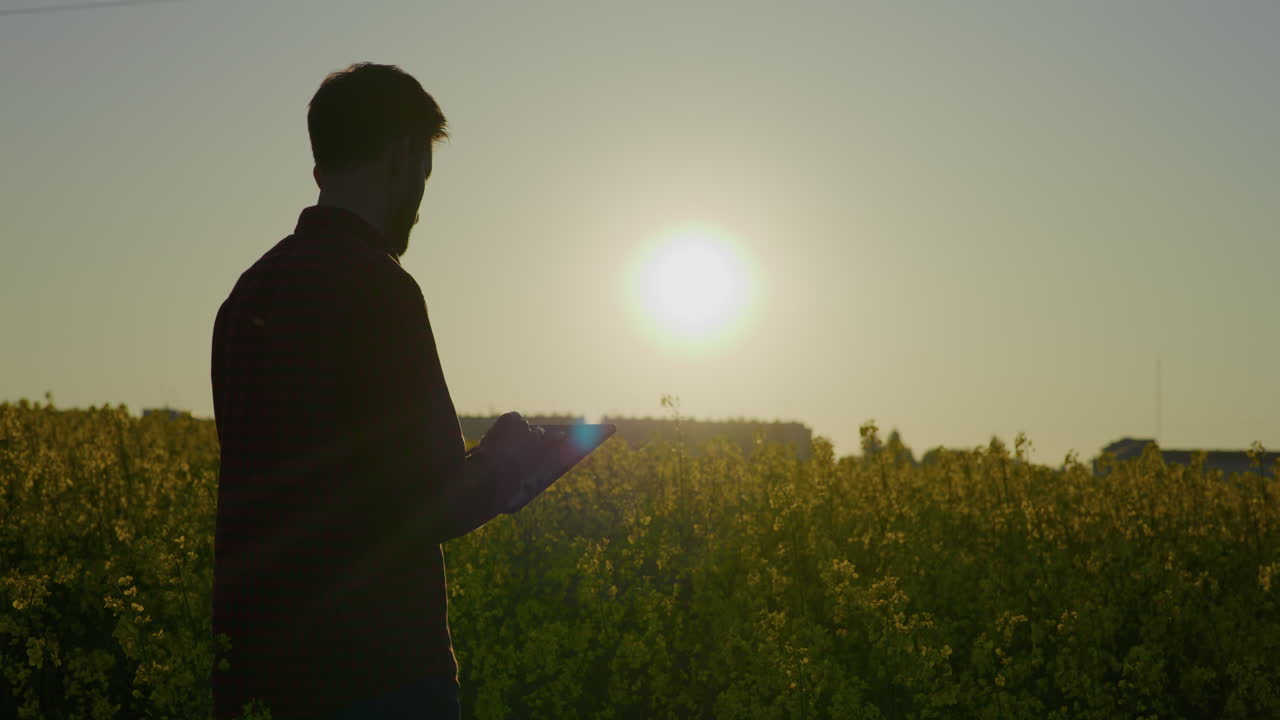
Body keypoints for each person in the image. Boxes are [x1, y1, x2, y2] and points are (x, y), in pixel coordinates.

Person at [210, 62, 557, 720]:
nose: (421, 206)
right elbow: (430, 506)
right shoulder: (380, 290)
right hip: (379, 678)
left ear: (321, 171)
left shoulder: (247, 295)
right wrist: (508, 459)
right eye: (425, 173)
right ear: (402, 158)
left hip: (258, 680)